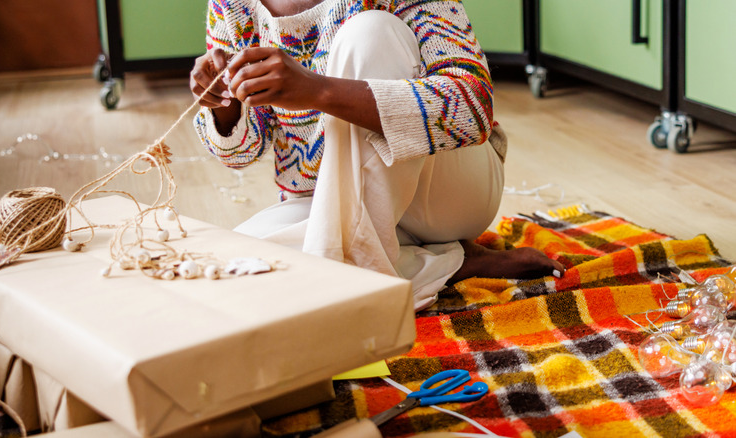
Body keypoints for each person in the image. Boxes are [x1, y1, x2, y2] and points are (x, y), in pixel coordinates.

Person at [190, 0, 564, 310]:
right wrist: (225, 107)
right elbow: (239, 154)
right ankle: (449, 262)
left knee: (370, 33)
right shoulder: (232, 5)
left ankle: (354, 286)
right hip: (331, 198)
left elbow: (473, 111)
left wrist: (317, 91)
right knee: (228, 267)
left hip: (445, 192)